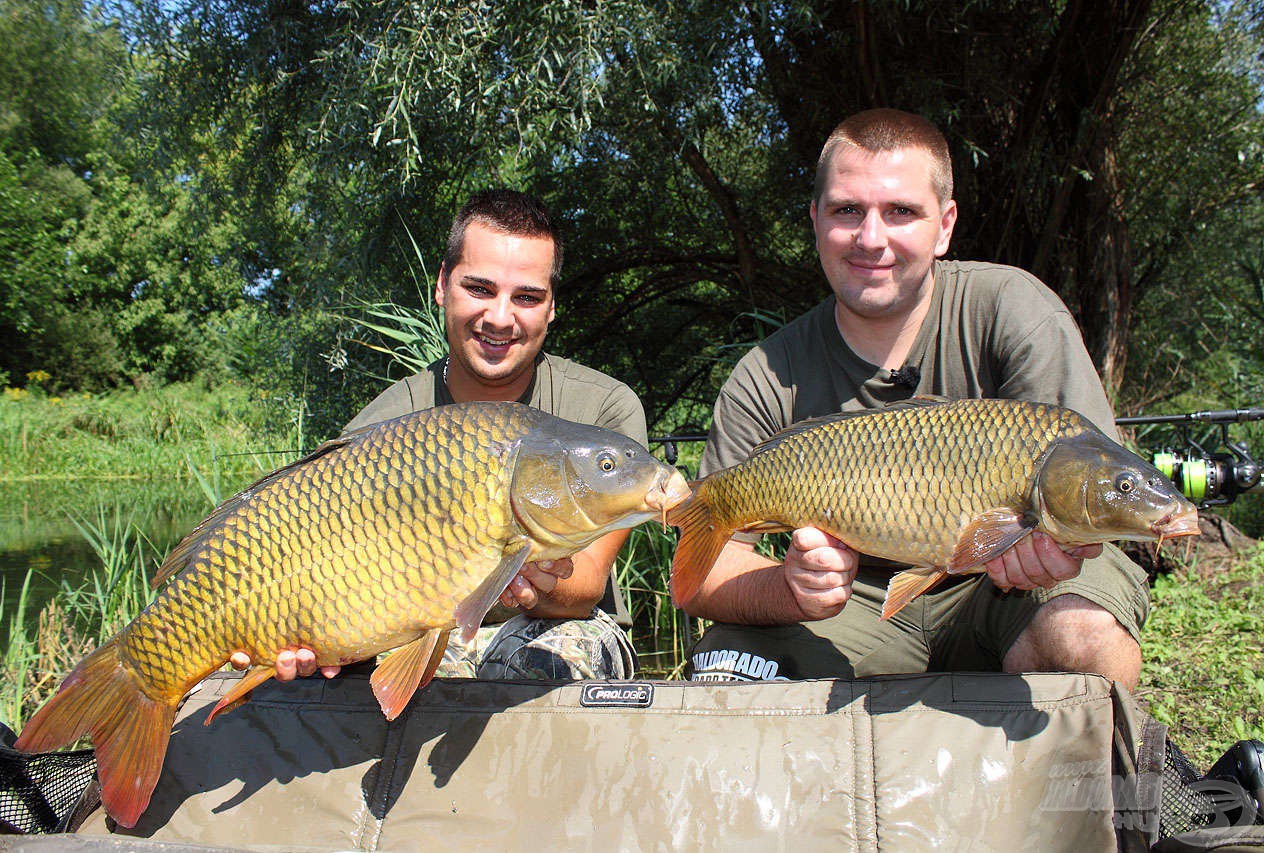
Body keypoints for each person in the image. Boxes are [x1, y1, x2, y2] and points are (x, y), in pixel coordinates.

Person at [683, 108, 1150, 690]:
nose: (870, 238)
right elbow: (703, 573)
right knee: (728, 668)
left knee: (1082, 630)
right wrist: (788, 587)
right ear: (815, 219)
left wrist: (1043, 552)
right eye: (846, 210)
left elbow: (1092, 480)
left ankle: (1091, 774)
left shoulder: (1013, 310)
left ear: (945, 225)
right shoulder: (766, 374)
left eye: (901, 212)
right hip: (857, 605)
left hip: (1000, 591)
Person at [240, 188, 648, 683]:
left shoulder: (602, 412)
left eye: (526, 297)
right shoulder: (382, 425)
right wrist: (305, 636)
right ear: (441, 286)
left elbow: (584, 585)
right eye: (479, 288)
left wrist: (522, 575)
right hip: (414, 635)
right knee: (351, 674)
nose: (500, 317)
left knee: (536, 661)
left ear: (552, 307)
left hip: (562, 628)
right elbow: (328, 570)